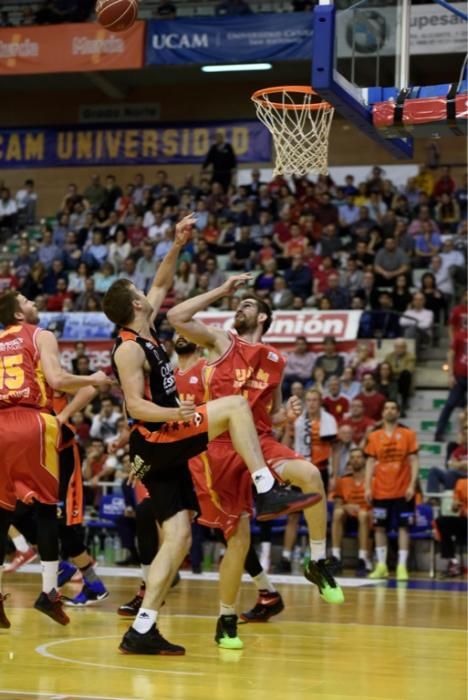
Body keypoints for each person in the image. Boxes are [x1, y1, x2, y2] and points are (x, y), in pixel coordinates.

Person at [102, 214, 317, 655]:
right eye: (142, 293)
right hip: (159, 436)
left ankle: (143, 627)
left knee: (178, 538)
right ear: (136, 304)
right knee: (236, 406)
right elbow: (134, 406)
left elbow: (162, 281)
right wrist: (174, 410)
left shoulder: (143, 327)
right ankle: (267, 487)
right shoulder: (127, 348)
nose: (149, 292)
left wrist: (179, 243)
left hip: (162, 447)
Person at [0, 291, 110, 628]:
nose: (34, 302)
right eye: (27, 300)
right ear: (19, 315)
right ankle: (49, 592)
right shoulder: (41, 335)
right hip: (33, 425)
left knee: (4, 511)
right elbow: (60, 379)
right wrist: (95, 379)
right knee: (49, 510)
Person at [173, 335, 285, 628]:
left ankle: (152, 598)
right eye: (177, 333)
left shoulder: (206, 369)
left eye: (187, 332)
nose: (182, 335)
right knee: (226, 533)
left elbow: (248, 410)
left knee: (231, 531)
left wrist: (281, 417)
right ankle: (266, 591)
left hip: (214, 458)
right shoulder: (167, 376)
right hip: (182, 457)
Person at [365, 401, 420, 581]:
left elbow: (414, 461)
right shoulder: (374, 436)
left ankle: (401, 566)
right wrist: (367, 486)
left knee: (404, 527)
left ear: (398, 412)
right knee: (379, 527)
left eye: (393, 408)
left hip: (403, 489)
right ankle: (381, 566)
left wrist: (412, 485)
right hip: (381, 489)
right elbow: (370, 462)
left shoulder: (408, 434)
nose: (390, 411)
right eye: (386, 408)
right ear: (382, 413)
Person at [331, 448, 372, 576]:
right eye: (353, 457)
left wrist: (363, 509)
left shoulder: (372, 480)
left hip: (367, 518)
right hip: (348, 518)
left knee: (363, 514)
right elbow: (338, 504)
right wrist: (345, 507)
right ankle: (336, 557)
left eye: (359, 457)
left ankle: (362, 558)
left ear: (365, 460)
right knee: (338, 512)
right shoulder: (343, 480)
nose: (355, 460)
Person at [434, 321, 468, 442]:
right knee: (450, 404)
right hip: (459, 376)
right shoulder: (459, 336)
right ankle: (439, 432)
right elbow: (451, 354)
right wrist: (450, 375)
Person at [435, 477, 467, 576]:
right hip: (464, 520)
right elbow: (455, 509)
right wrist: (455, 506)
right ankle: (453, 562)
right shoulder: (461, 482)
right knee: (442, 522)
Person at [384, 338, 415, 415]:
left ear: (405, 347)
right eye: (397, 347)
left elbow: (409, 369)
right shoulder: (389, 356)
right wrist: (396, 370)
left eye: (401, 347)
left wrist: (393, 370)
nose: (399, 349)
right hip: (391, 379)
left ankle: (404, 402)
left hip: (403, 382)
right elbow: (386, 368)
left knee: (405, 374)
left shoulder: (410, 356)